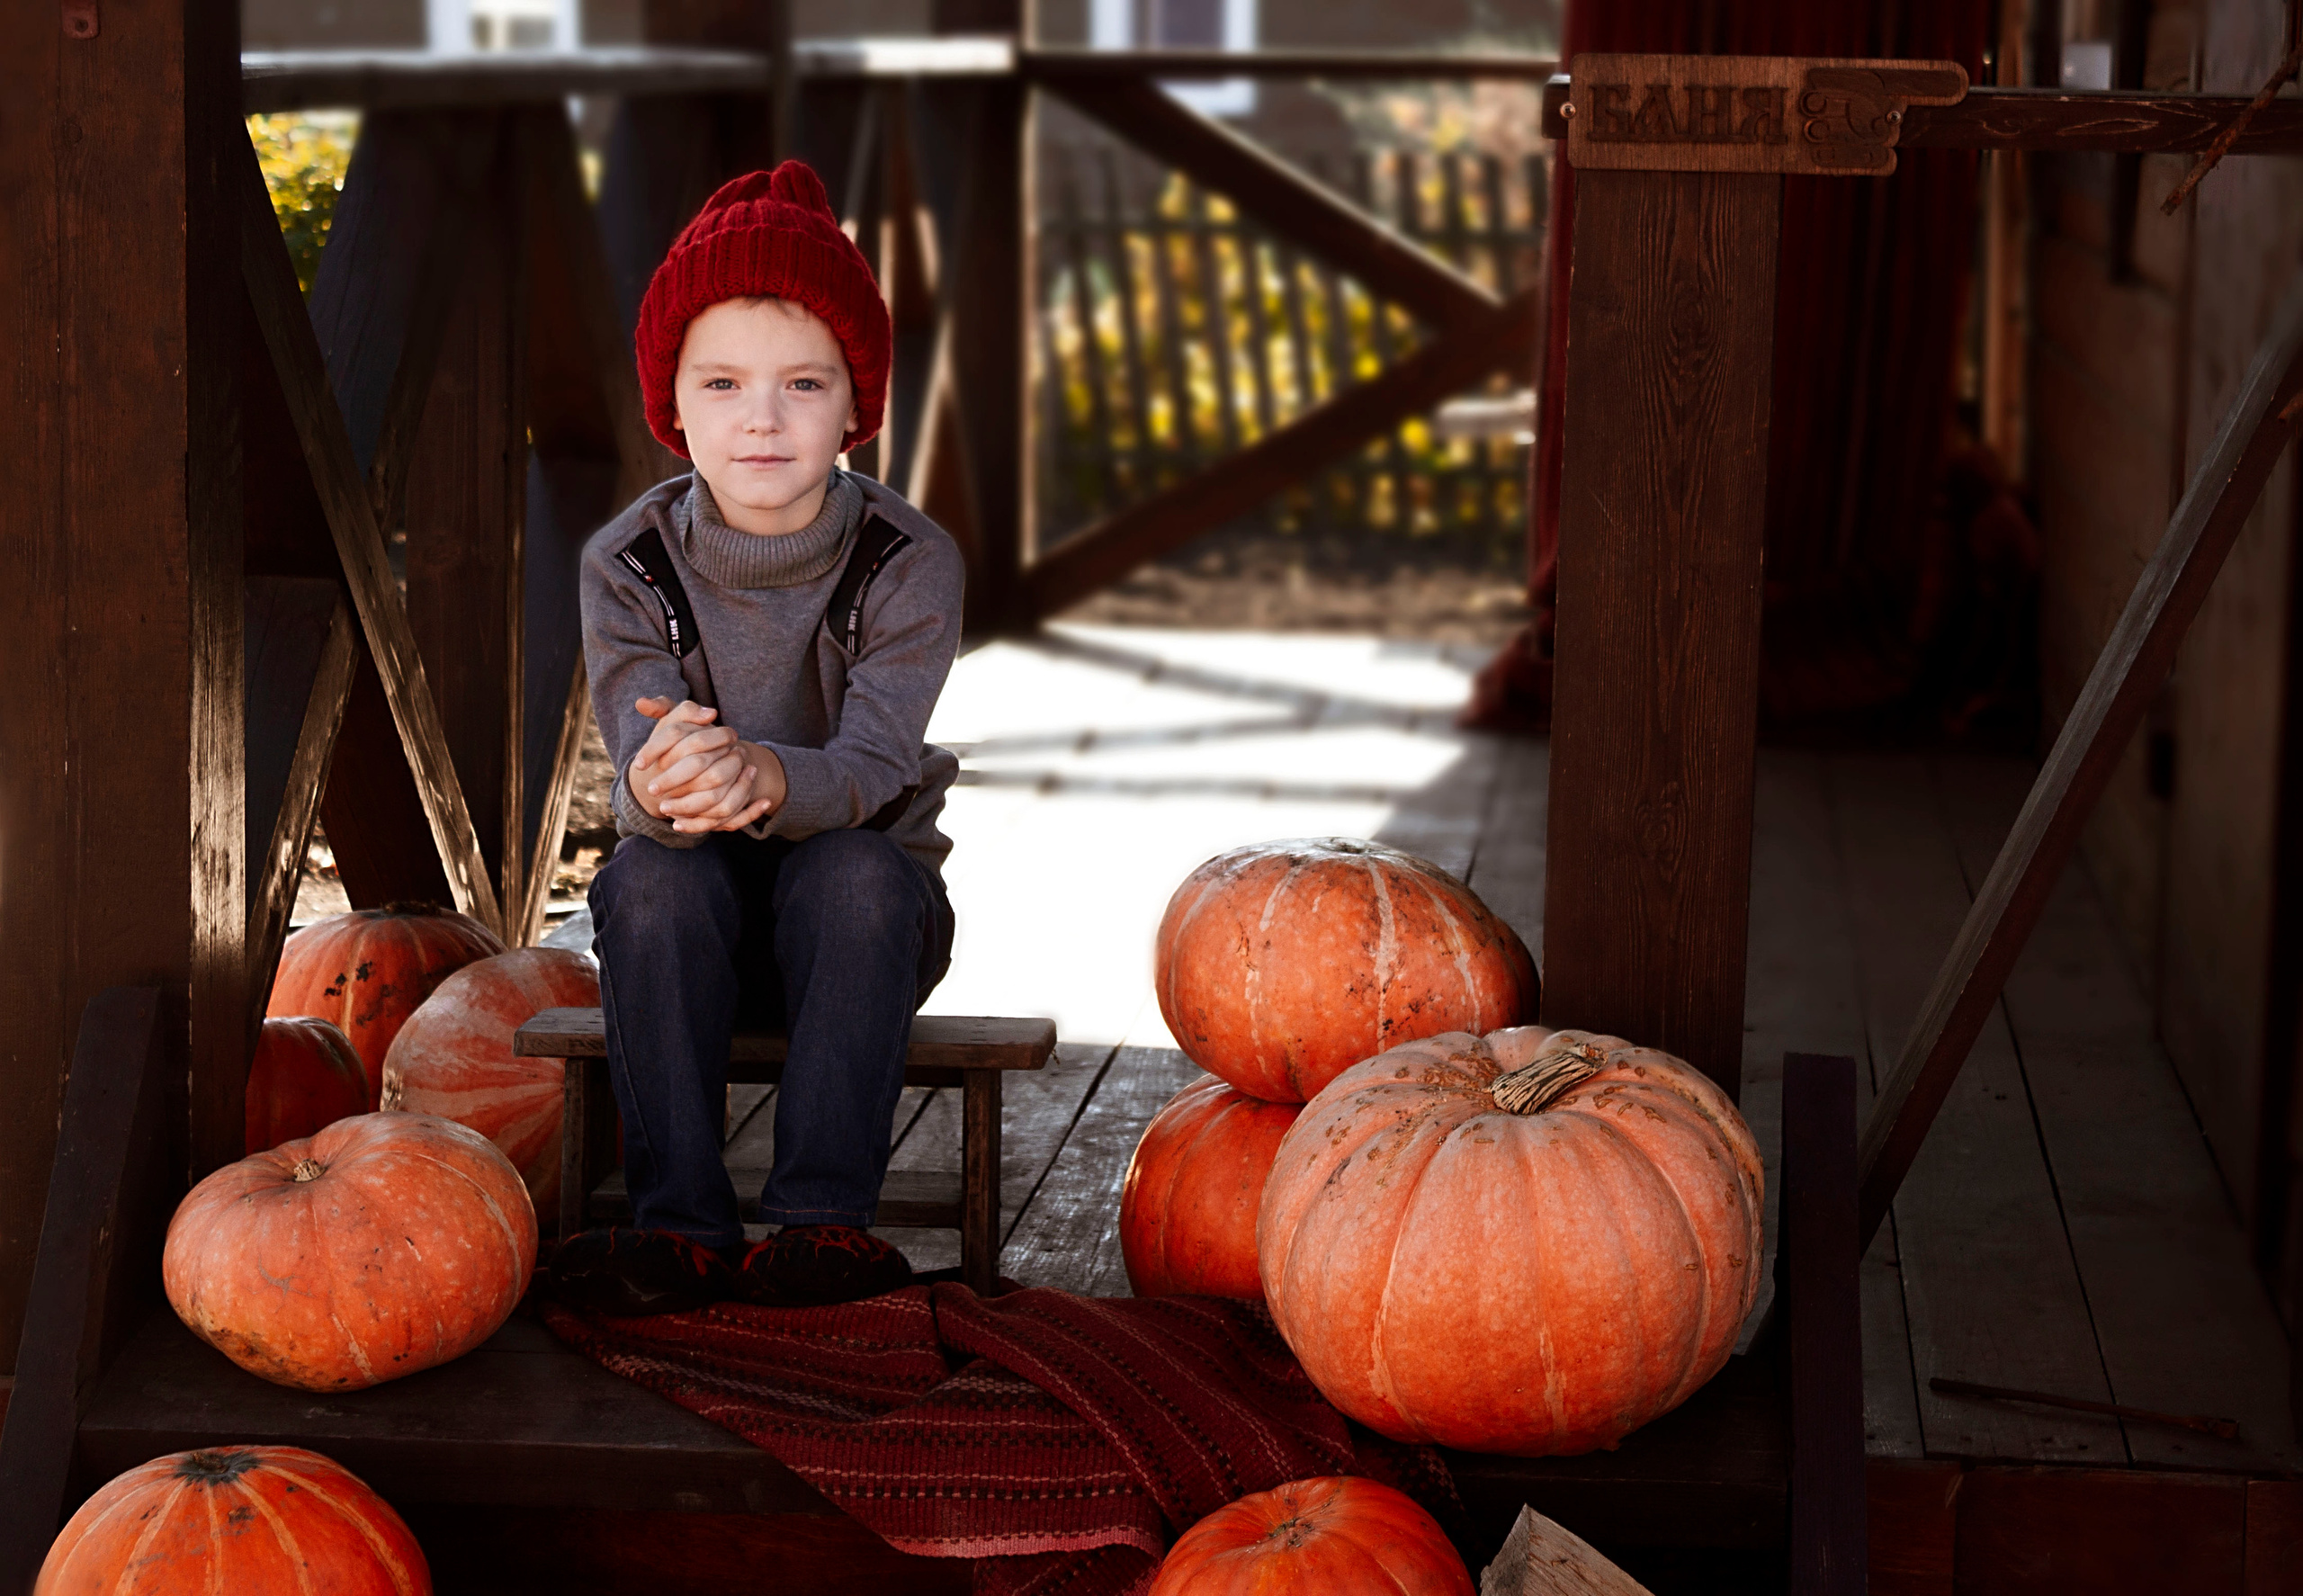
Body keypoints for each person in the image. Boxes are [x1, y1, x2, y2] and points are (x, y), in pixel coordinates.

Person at [549, 161, 963, 1315]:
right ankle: (675, 1223)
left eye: (804, 384)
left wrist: (763, 771)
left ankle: (820, 1225)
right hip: (693, 942)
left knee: (855, 873)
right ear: (673, 403)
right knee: (649, 878)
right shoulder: (626, 564)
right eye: (722, 382)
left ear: (855, 406)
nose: (763, 418)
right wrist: (675, 778)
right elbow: (639, 774)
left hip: (861, 936)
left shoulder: (906, 560)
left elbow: (879, 761)